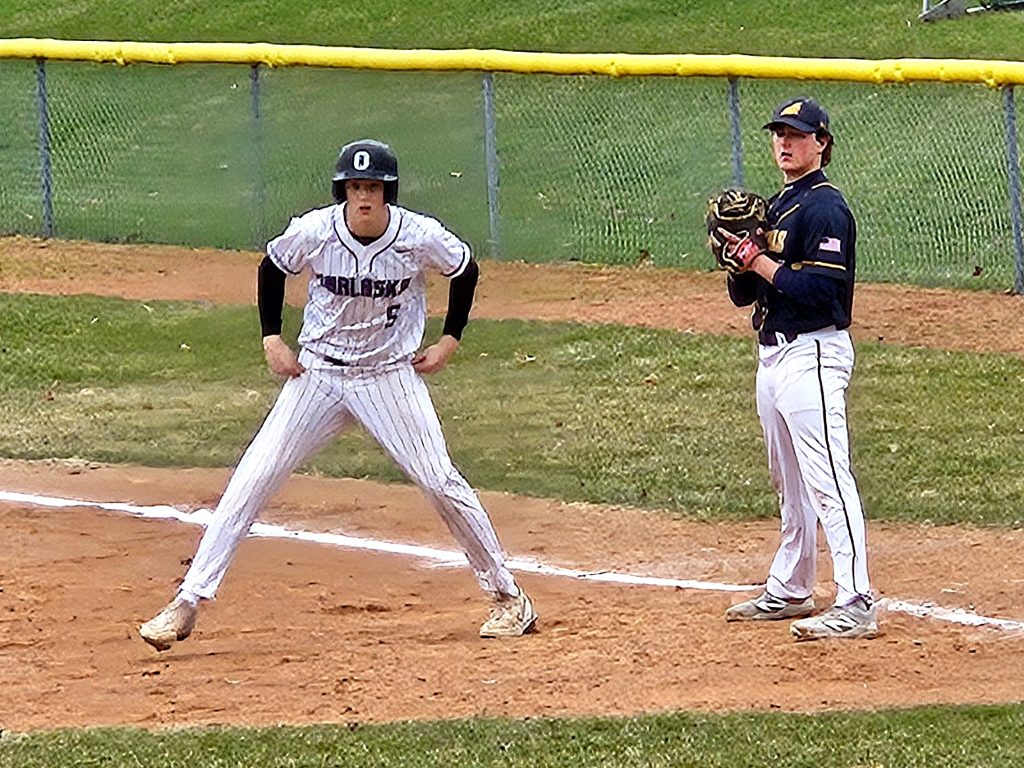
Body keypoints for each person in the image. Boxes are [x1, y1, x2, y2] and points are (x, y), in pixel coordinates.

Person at [140, 139, 537, 650]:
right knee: (252, 478)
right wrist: (271, 338)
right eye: (355, 187)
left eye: (372, 187)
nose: (363, 196)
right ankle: (187, 603)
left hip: (388, 377)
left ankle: (508, 598)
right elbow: (272, 267)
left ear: (387, 191)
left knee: (440, 482)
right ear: (342, 190)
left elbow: (464, 269)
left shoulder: (418, 236)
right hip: (319, 378)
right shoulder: (315, 230)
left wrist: (448, 340)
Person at [716, 97, 877, 640]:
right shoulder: (777, 207)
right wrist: (740, 261)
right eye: (779, 134)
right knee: (791, 484)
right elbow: (745, 295)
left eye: (797, 135)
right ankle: (791, 588)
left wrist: (759, 259)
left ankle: (856, 601)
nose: (785, 143)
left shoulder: (825, 209)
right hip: (772, 354)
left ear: (821, 144)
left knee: (829, 478)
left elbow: (819, 290)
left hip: (813, 351)